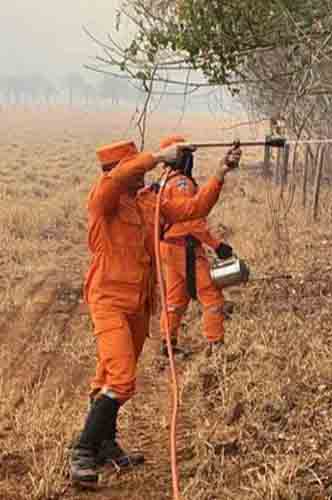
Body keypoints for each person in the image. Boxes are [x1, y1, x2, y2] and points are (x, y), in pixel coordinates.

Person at [69, 139, 241, 487]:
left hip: (138, 304)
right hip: (108, 301)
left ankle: (104, 443)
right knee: (121, 379)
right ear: (118, 170)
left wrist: (221, 173)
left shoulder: (149, 204)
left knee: (107, 377)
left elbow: (193, 209)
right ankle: (82, 450)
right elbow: (117, 179)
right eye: (134, 165)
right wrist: (158, 158)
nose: (142, 170)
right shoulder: (104, 201)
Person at [156, 135, 236, 358]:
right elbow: (192, 218)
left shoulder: (164, 181)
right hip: (184, 247)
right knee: (211, 295)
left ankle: (168, 345)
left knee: (176, 298)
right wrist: (216, 245)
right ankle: (216, 345)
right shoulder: (182, 183)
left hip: (169, 247)